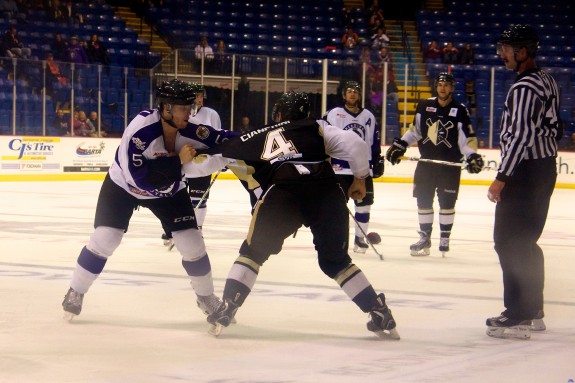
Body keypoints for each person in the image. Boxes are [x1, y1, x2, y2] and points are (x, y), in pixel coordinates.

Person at [197, 91, 399, 340]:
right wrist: (360, 179)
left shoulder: (260, 134)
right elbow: (356, 145)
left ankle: (228, 308)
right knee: (336, 261)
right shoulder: (319, 127)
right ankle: (379, 311)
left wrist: (180, 164)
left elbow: (215, 158)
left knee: (253, 253)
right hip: (326, 192)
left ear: (279, 114)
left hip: (284, 195)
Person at [61, 79, 236, 321]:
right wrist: (178, 162)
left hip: (169, 189)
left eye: (190, 107)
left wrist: (262, 141)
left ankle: (206, 297)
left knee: (193, 244)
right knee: (105, 239)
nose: (190, 113)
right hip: (124, 186)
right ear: (165, 109)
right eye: (183, 108)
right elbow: (140, 180)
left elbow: (225, 138)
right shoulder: (139, 131)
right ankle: (76, 290)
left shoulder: (192, 129)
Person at [485, 24, 560, 340]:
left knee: (508, 242)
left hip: (524, 173)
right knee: (527, 242)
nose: (501, 54)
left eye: (506, 48)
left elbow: (521, 137)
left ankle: (518, 314)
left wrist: (502, 177)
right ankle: (533, 311)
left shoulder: (525, 88)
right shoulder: (547, 79)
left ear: (523, 51)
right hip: (543, 169)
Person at [385, 72, 484, 256]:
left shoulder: (460, 110)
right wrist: (401, 144)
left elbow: (466, 139)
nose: (443, 88)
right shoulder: (425, 105)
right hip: (427, 164)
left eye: (446, 85)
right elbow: (415, 131)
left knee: (447, 203)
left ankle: (445, 237)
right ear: (436, 86)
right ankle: (425, 237)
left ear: (452, 88)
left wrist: (471, 156)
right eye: (440, 84)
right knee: (423, 200)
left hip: (450, 165)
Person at [322, 80, 384, 253]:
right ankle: (336, 239)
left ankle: (360, 238)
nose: (352, 94)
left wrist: (376, 159)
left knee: (364, 204)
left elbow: (373, 142)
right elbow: (323, 136)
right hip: (339, 169)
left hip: (362, 169)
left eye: (356, 91)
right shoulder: (333, 114)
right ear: (344, 95)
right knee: (337, 206)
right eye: (349, 91)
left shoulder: (368, 117)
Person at [160, 82, 222, 247]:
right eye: (195, 96)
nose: (198, 99)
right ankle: (172, 228)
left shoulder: (211, 114)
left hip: (202, 161)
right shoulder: (182, 112)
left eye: (201, 95)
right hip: (182, 160)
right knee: (175, 195)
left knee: (198, 199)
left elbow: (217, 137)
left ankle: (197, 230)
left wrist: (221, 157)